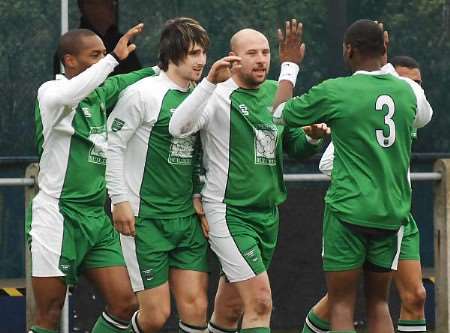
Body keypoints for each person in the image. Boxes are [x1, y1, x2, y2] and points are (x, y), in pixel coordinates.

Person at [272, 19, 432, 332]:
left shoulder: (336, 91)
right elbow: (423, 118)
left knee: (342, 303)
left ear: (348, 50)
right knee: (379, 303)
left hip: (348, 212)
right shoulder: (409, 92)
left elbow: (279, 114)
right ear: (385, 47)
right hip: (390, 214)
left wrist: (289, 65)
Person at [169, 27, 328, 333]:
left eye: (266, 52)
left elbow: (292, 146)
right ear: (234, 59)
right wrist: (207, 84)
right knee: (261, 302)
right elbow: (179, 127)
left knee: (230, 310)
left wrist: (310, 138)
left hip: (267, 214)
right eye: (251, 53)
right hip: (229, 213)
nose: (261, 60)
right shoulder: (216, 94)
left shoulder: (273, 93)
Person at [27, 24, 157, 333]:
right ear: (70, 61)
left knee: (126, 302)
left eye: (103, 54)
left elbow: (129, 79)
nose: (103, 61)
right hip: (58, 218)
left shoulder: (98, 95)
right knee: (50, 312)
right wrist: (112, 57)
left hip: (96, 220)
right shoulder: (52, 93)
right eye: (94, 55)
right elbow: (74, 91)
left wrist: (166, 66)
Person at [302, 55, 428, 333]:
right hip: (362, 214)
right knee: (343, 300)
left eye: (418, 83)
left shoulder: (408, 117)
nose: (414, 88)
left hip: (398, 216)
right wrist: (366, 186)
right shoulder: (369, 116)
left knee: (415, 296)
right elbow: (327, 162)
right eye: (408, 82)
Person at [105, 17, 210, 333]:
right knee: (154, 316)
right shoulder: (142, 93)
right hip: (145, 219)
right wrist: (118, 200)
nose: (201, 60)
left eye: (203, 52)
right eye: (193, 53)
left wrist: (195, 196)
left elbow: (196, 152)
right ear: (172, 53)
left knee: (197, 308)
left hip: (185, 220)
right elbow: (112, 146)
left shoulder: (201, 95)